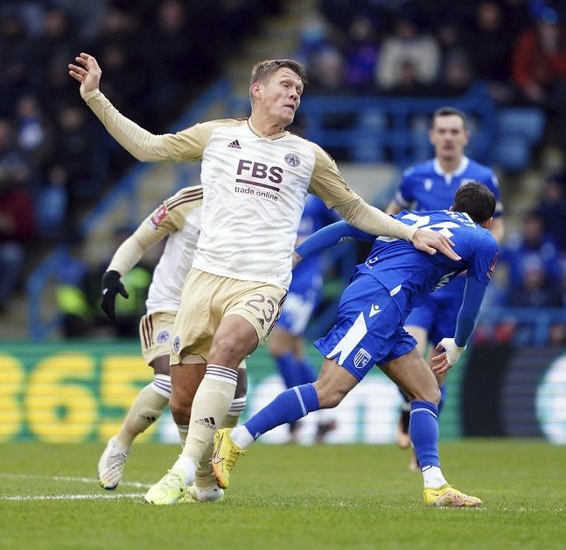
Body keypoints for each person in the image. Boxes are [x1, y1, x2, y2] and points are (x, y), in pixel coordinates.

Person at [68, 52, 459, 506]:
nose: (294, 94)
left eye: (299, 90)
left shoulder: (307, 155)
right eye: (286, 85)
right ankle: (202, 474)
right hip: (203, 280)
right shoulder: (218, 136)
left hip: (262, 282)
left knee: (228, 348)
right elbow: (149, 148)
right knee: (180, 402)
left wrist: (411, 230)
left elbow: (355, 210)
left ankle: (178, 471)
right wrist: (95, 96)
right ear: (258, 89)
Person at [212, 182, 499, 508]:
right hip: (379, 302)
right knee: (329, 391)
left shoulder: (414, 217)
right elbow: (471, 305)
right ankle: (233, 441)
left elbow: (347, 227)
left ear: (451, 207)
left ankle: (435, 485)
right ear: (488, 221)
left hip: (383, 302)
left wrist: (296, 255)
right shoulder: (483, 240)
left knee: (427, 392)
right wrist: (458, 345)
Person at [96, 185, 247, 503]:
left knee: (236, 398)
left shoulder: (258, 204)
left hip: (216, 310)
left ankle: (208, 471)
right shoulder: (190, 200)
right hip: (170, 307)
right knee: (170, 384)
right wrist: (113, 274)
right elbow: (140, 238)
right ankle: (121, 444)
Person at [385, 106, 504, 469]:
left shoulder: (484, 177)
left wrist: (485, 262)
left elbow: (496, 228)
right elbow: (391, 216)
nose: (449, 137)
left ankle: (423, 441)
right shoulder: (415, 177)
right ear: (432, 136)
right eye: (442, 131)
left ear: (465, 137)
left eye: (455, 131)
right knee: (412, 347)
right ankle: (407, 405)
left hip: (457, 291)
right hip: (422, 287)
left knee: (439, 368)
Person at [267, 193, 339, 443]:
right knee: (295, 350)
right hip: (280, 281)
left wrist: (313, 245)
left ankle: (294, 417)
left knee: (278, 346)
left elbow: (340, 225)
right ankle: (322, 419)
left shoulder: (317, 201)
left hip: (304, 283)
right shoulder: (277, 195)